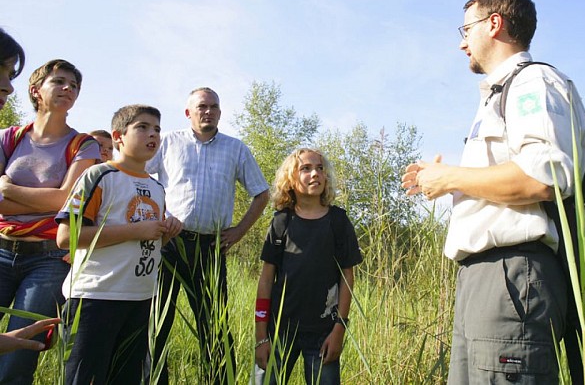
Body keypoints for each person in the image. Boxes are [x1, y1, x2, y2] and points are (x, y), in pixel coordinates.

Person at [401, 0, 585, 384]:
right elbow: (506, 182)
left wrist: (451, 177)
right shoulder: (498, 95)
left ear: (494, 23)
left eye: (464, 30)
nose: (461, 44)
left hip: (512, 273)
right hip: (484, 278)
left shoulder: (532, 83)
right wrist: (443, 181)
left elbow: (546, 175)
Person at [147, 87, 269, 384]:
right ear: (188, 112)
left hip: (210, 248)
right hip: (168, 244)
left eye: (214, 106)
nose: (208, 111)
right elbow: (139, 174)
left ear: (220, 112)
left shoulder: (235, 148)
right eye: (202, 106)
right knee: (156, 323)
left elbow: (262, 193)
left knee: (215, 326)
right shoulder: (168, 143)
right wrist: (158, 217)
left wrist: (239, 231)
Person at [55, 104, 182, 385]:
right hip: (95, 298)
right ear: (119, 136)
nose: (153, 135)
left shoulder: (157, 188)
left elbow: (148, 239)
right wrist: (135, 230)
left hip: (140, 299)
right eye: (142, 127)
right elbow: (66, 238)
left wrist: (167, 233)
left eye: (157, 129)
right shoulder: (98, 176)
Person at [0, 58, 99, 384]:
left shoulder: (84, 145)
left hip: (48, 260)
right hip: (1, 249)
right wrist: (50, 196)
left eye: (74, 85)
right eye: (59, 81)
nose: (68, 88)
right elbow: (55, 197)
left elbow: (66, 200)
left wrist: (9, 189)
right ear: (35, 90)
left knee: (21, 350)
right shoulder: (8, 138)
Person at [255, 148, 362, 385]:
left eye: (320, 168)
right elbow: (265, 281)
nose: (315, 174)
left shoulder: (338, 222)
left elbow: (347, 279)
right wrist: (261, 337)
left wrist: (339, 330)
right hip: (279, 333)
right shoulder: (281, 222)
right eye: (306, 168)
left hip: (324, 334)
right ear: (291, 179)